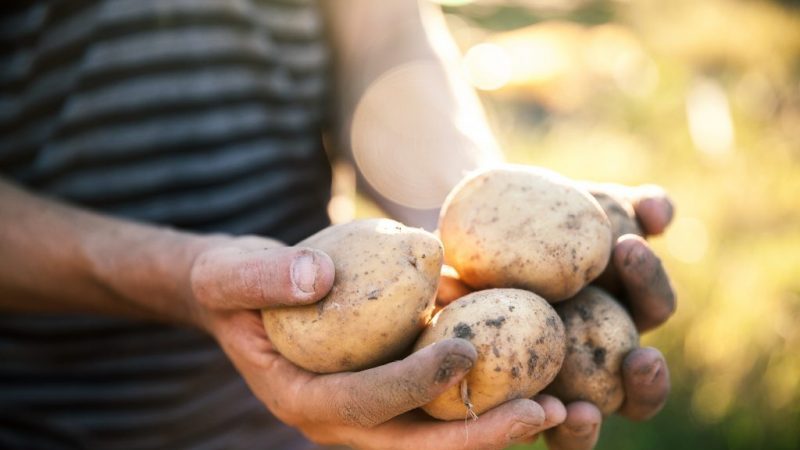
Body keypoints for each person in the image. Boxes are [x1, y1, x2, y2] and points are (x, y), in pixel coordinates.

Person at [0, 1, 675, 449]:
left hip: (321, 408)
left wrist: (469, 229)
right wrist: (180, 279)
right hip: (48, 411)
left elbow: (381, 32)